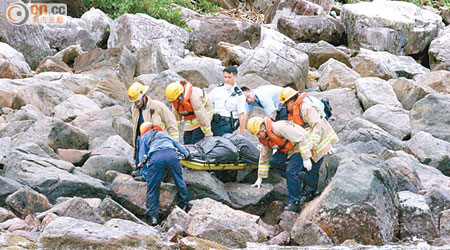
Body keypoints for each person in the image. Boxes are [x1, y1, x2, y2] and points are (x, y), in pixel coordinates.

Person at [279, 87, 339, 203]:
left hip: (319, 137)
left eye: (285, 105)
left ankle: (310, 192)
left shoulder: (307, 108)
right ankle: (307, 188)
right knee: (309, 166)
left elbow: (318, 126)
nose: (285, 109)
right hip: (309, 136)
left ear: (290, 101)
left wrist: (313, 144)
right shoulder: (297, 109)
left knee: (314, 166)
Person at [247, 116, 313, 212]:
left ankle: (294, 202)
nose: (258, 136)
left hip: (301, 145)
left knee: (290, 171)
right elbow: (264, 156)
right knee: (274, 161)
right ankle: (297, 178)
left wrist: (306, 158)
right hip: (289, 148)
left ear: (263, 127)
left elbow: (301, 138)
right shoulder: (266, 136)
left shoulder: (279, 127)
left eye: (258, 133)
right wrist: (260, 177)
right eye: (255, 135)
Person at [137, 122, 191, 226]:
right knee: (179, 180)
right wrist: (187, 155)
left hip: (156, 158)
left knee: (153, 187)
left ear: (143, 131)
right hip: (172, 155)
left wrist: (144, 174)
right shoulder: (165, 134)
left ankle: (153, 217)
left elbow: (141, 158)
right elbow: (179, 146)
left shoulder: (144, 137)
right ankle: (184, 205)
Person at [128, 81, 179, 167]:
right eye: (135, 102)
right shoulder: (134, 109)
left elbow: (171, 124)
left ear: (144, 96)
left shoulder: (158, 106)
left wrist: (174, 144)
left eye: (138, 101)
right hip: (141, 141)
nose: (136, 104)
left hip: (157, 142)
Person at [165, 79, 213, 144]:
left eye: (175, 100)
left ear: (180, 96)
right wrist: (174, 139)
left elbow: (202, 117)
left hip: (203, 111)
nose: (173, 103)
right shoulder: (175, 100)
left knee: (197, 138)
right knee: (187, 139)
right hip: (190, 115)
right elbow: (176, 120)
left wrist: (208, 135)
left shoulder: (194, 98)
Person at [208, 66, 246, 136]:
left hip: (226, 124)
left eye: (229, 77)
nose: (227, 80)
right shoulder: (218, 88)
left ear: (236, 76)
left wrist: (241, 131)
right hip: (213, 121)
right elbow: (207, 101)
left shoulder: (239, 94)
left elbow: (241, 115)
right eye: (225, 77)